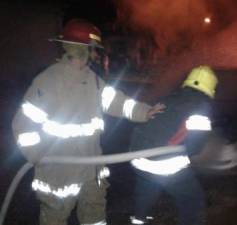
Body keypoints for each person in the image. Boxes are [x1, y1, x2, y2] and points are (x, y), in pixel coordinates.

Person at [11, 19, 164, 225]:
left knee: (95, 218)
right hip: (59, 173)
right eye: (93, 49)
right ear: (81, 49)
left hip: (92, 170)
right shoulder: (48, 82)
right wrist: (38, 156)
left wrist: (145, 111)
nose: (95, 55)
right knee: (54, 220)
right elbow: (23, 125)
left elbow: (116, 101)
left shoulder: (92, 80)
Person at [128, 65, 218, 225]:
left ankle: (138, 219)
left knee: (147, 188)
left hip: (137, 155)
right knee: (192, 198)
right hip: (164, 161)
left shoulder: (170, 97)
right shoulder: (202, 107)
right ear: (210, 88)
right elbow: (196, 146)